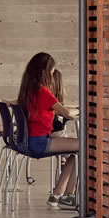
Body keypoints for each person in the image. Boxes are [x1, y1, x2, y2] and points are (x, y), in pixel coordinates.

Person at [18, 51, 80, 207]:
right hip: (39, 142)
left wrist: (74, 109)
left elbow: (58, 108)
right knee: (84, 146)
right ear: (45, 71)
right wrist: (82, 109)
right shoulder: (43, 91)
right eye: (52, 70)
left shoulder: (28, 90)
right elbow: (66, 112)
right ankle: (66, 197)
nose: (53, 74)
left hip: (29, 140)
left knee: (76, 154)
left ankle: (58, 195)